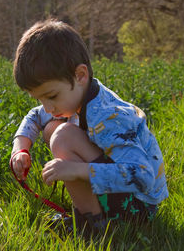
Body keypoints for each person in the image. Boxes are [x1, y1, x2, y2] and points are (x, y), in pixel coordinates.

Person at [10, 19, 168, 234]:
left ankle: (93, 225)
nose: (47, 107)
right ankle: (90, 212)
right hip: (122, 192)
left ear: (80, 75)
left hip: (138, 207)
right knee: (51, 127)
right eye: (39, 99)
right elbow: (34, 117)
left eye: (52, 96)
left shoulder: (107, 118)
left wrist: (75, 170)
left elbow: (143, 178)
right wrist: (20, 149)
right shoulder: (81, 96)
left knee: (63, 136)